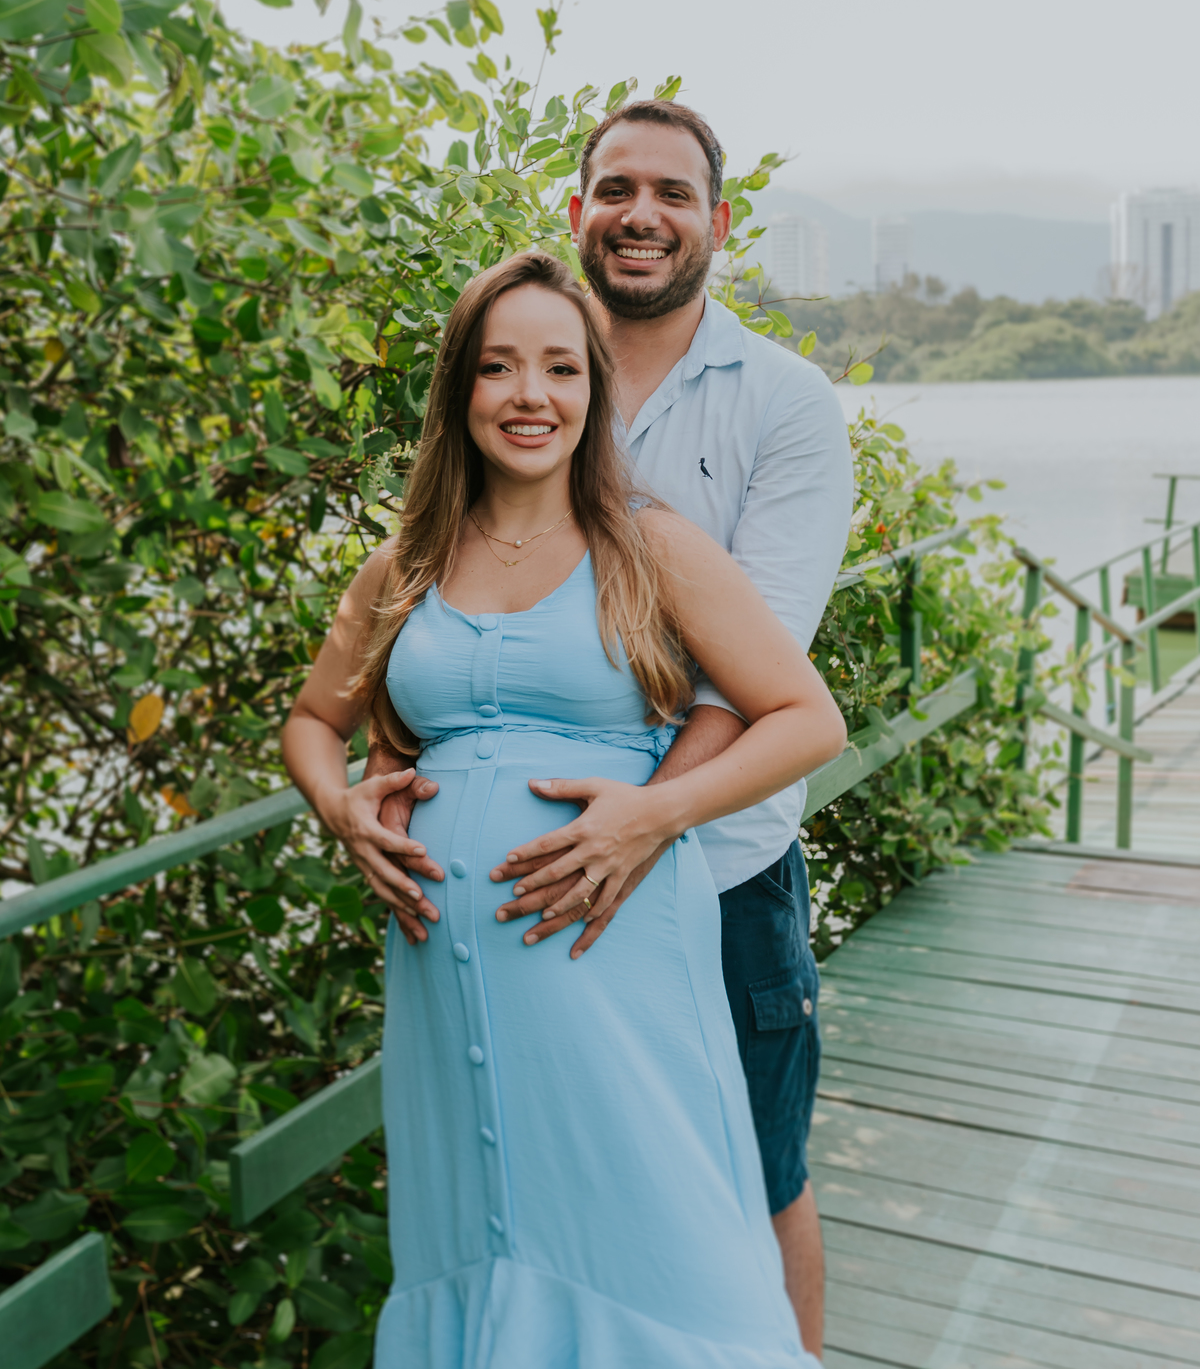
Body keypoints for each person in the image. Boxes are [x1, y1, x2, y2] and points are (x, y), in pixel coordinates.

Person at [282, 250, 847, 1366]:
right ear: (461, 392)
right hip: (444, 972)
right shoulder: (403, 566)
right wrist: (339, 807)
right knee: (484, 1226)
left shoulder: (652, 546)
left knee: (663, 1220)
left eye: (558, 369)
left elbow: (805, 718)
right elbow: (313, 722)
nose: (529, 396)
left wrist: (658, 811)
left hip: (612, 943)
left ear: (593, 392)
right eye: (498, 368)